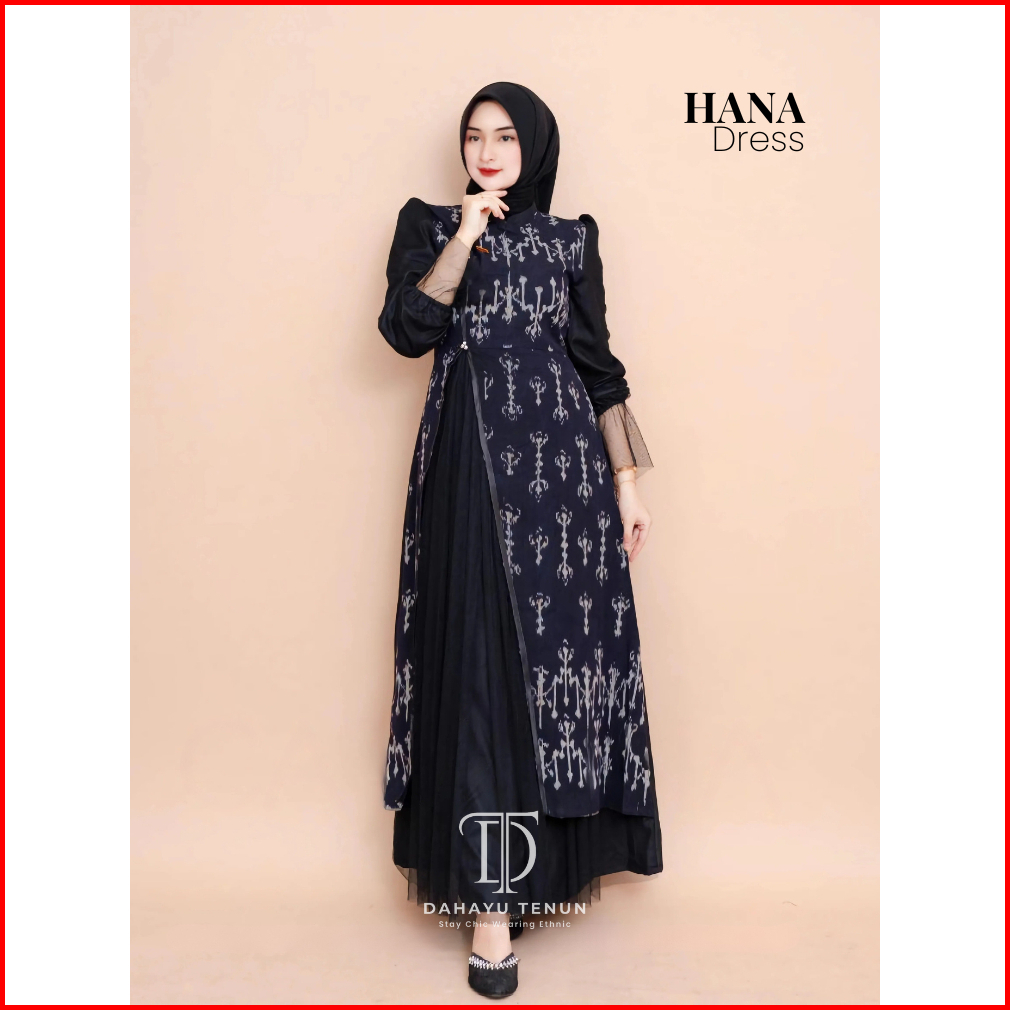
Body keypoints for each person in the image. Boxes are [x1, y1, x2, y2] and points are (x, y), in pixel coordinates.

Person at [377, 82, 663, 999]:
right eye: (474, 136)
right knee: (476, 666)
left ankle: (530, 875)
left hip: (562, 479)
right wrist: (465, 236)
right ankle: (489, 911)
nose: (489, 151)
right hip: (468, 459)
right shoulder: (430, 225)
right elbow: (405, 331)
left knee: (547, 676)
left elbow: (598, 365)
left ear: (534, 145)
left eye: (505, 136)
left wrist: (626, 485)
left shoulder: (571, 239)